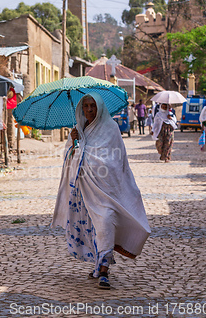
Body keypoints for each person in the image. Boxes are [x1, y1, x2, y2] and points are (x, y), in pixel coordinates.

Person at [52, 92, 150, 290]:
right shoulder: (78, 129)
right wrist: (74, 143)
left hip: (107, 191)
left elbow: (115, 160)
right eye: (86, 106)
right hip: (84, 192)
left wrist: (85, 153)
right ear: (81, 109)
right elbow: (70, 158)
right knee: (92, 229)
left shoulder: (111, 128)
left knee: (105, 222)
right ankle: (99, 264)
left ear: (100, 108)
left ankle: (104, 270)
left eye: (93, 106)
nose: (89, 110)